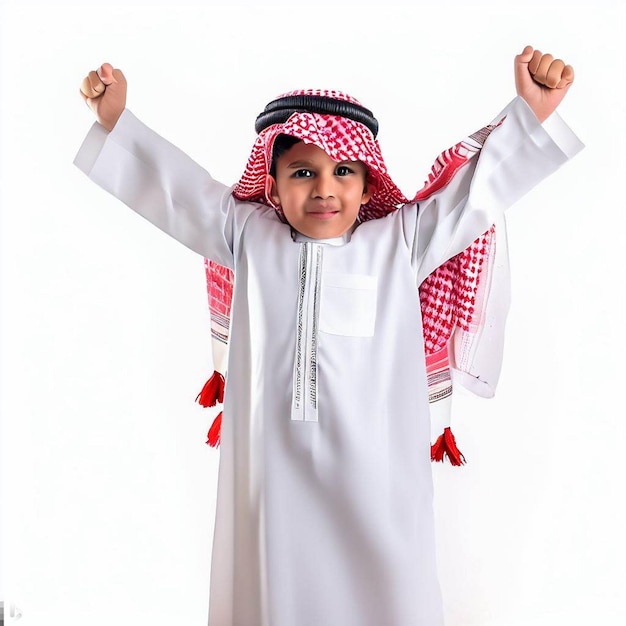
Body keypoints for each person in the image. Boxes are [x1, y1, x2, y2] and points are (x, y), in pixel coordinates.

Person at [75, 46, 583, 625]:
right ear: (271, 185)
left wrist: (530, 116)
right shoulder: (247, 234)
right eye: (302, 172)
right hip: (273, 477)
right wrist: (117, 123)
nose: (324, 188)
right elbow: (178, 190)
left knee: (387, 597)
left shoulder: (399, 243)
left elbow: (472, 195)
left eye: (343, 171)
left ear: (369, 186)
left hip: (376, 477)